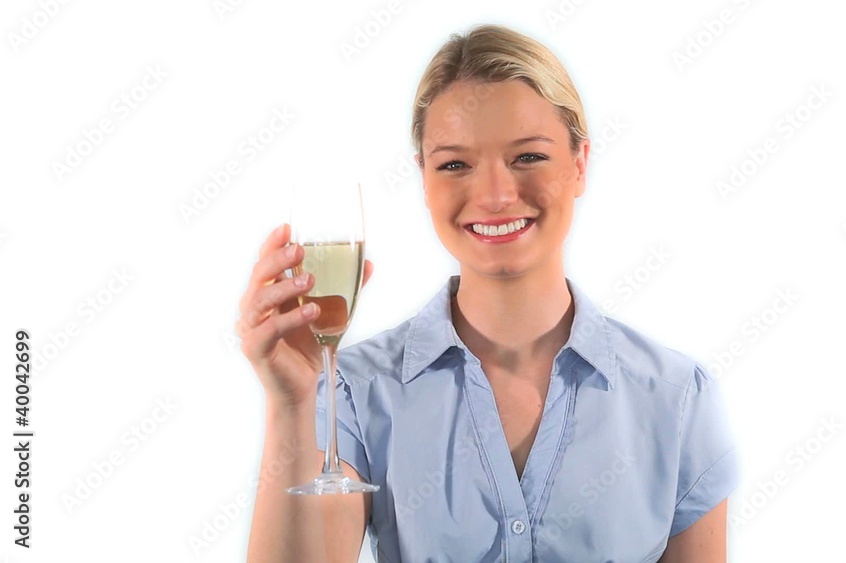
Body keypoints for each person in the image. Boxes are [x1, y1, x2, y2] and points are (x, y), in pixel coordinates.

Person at [241, 23, 739, 563]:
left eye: (528, 157)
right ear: (424, 180)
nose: (496, 195)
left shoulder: (676, 397)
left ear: (579, 164)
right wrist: (291, 404)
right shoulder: (358, 392)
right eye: (455, 164)